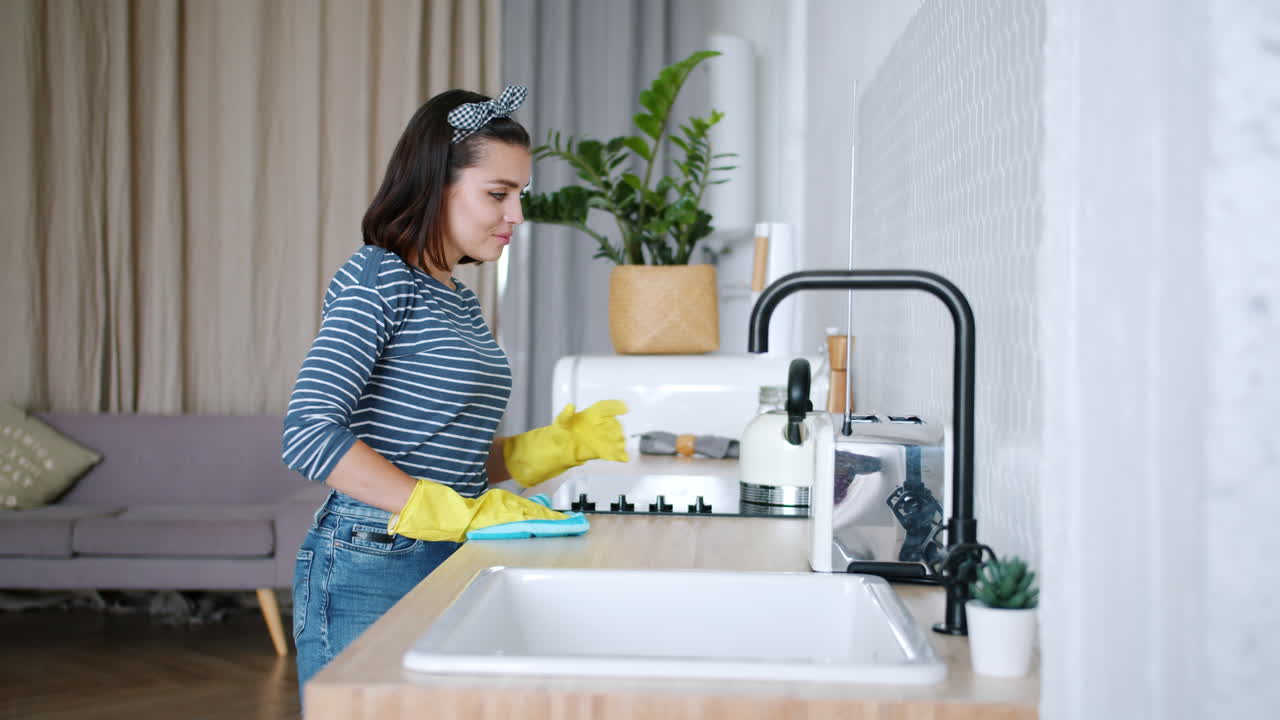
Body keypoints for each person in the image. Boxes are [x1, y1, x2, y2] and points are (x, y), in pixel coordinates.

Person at [281, 85, 629, 692]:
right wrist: (442, 509)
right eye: (498, 194)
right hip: (372, 553)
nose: (517, 215)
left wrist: (541, 450)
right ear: (435, 184)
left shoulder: (458, 302)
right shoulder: (379, 275)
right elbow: (307, 434)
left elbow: (443, 455)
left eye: (520, 195)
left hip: (447, 547)